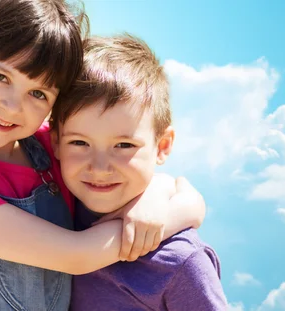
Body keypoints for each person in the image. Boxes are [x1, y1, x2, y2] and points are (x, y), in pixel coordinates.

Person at [0, 1, 206, 310]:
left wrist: (154, 197)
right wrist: (164, 221)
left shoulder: (52, 147)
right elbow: (76, 255)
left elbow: (179, 191)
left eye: (38, 94)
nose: (13, 106)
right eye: (0, 76)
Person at [51, 34, 228, 310]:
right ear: (55, 142)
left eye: (123, 145)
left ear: (163, 145)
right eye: (79, 142)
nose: (99, 167)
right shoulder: (51, 213)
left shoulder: (181, 262)